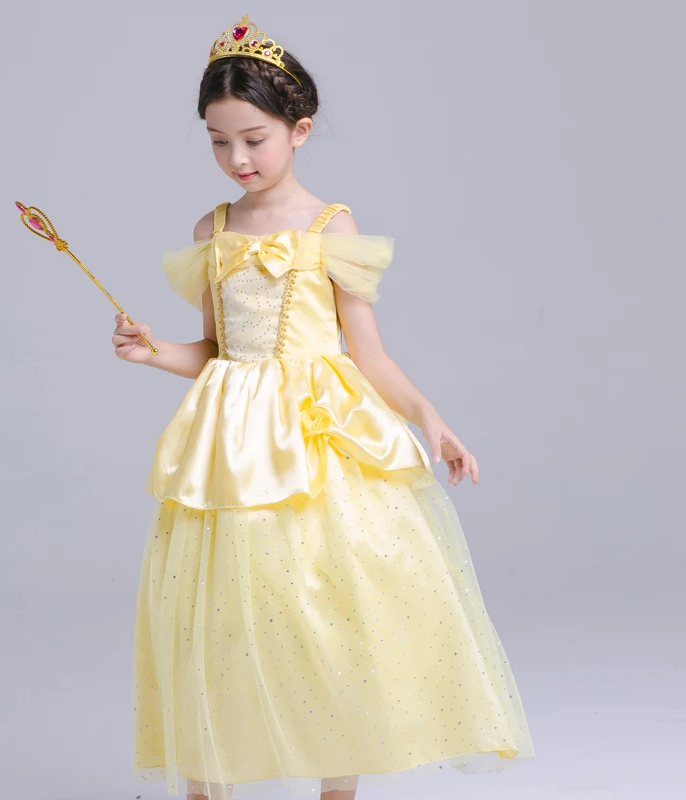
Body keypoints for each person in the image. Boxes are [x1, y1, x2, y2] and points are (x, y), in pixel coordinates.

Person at [113, 13, 534, 800]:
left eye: (254, 139)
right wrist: (154, 352)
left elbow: (367, 352)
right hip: (231, 450)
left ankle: (337, 786)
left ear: (298, 129)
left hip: (317, 441)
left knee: (332, 613)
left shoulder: (330, 225)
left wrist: (431, 421)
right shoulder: (211, 230)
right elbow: (216, 352)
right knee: (223, 620)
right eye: (218, 141)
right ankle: (209, 779)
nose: (236, 159)